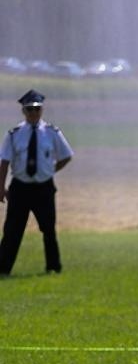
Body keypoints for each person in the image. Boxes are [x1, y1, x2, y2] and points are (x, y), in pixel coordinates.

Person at [0, 89, 73, 277]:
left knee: (49, 229)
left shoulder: (52, 132)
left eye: (37, 109)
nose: (34, 113)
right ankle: (3, 269)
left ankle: (53, 267)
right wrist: (1, 187)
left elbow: (66, 156)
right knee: (12, 231)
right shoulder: (14, 134)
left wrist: (50, 171)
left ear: (42, 110)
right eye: (30, 109)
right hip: (20, 187)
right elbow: (5, 162)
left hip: (44, 187)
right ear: (23, 111)